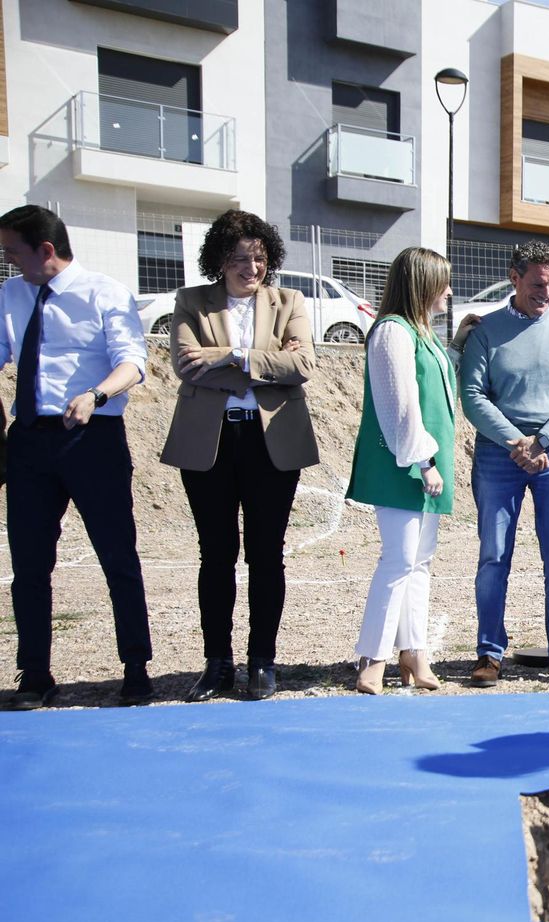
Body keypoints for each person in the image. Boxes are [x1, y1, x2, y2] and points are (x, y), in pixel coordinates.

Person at [160, 210, 320, 702]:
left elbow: (303, 364)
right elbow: (186, 366)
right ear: (219, 260)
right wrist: (266, 364)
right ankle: (218, 663)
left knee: (266, 554)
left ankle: (262, 661)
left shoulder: (289, 301)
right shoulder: (191, 301)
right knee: (216, 554)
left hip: (272, 442)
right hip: (209, 443)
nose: (251, 268)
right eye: (239, 259)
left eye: (259, 258)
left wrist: (230, 356)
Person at [0, 205, 153, 708]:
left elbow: (132, 363)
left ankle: (135, 667)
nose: (9, 261)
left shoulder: (103, 292)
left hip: (92, 437)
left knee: (117, 556)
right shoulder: (11, 294)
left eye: (13, 252)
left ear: (45, 250)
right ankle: (34, 674)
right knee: (29, 562)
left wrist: (96, 394)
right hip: (29, 441)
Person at [458, 240, 549, 686]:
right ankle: (489, 652)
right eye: (538, 284)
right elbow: (473, 396)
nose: (547, 293)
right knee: (494, 556)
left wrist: (544, 439)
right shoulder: (485, 330)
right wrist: (518, 441)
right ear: (514, 278)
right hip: (500, 453)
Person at [346, 248, 461, 694]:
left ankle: (413, 652)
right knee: (398, 559)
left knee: (419, 562)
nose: (449, 290)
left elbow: (434, 383)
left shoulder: (421, 332)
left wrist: (458, 344)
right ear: (422, 284)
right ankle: (373, 657)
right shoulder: (393, 331)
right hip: (406, 464)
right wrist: (424, 461)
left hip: (423, 463)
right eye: (442, 282)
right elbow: (400, 403)